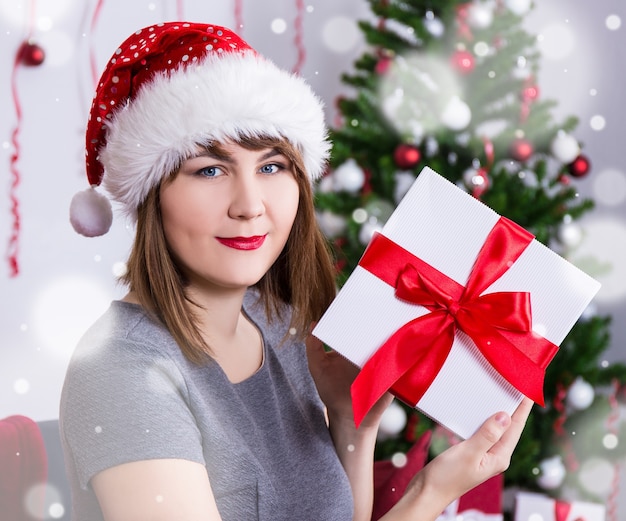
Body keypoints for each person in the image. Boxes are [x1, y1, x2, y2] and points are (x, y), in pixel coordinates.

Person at [60, 21, 533, 521]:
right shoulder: (122, 372)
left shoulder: (274, 322)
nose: (250, 205)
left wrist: (352, 428)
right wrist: (428, 495)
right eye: (209, 170)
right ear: (152, 196)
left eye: (271, 167)